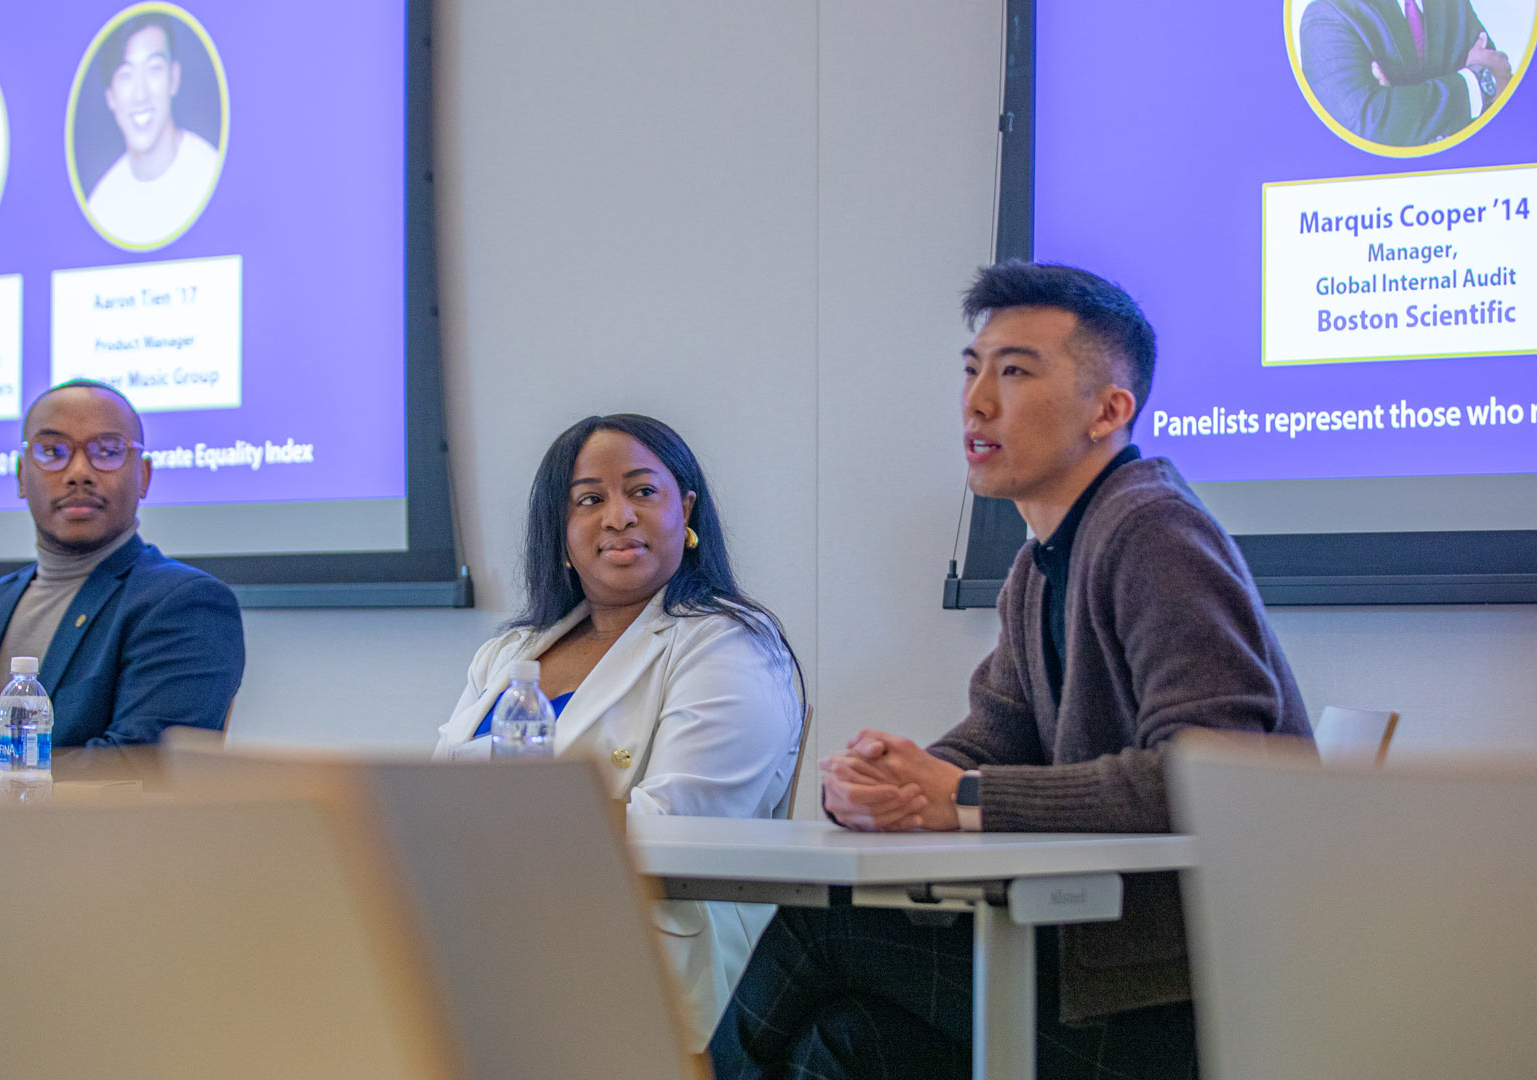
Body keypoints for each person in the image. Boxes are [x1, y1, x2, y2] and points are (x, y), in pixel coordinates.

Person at [708, 263, 1314, 1080]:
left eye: (1016, 371)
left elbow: (1217, 776)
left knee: (829, 925)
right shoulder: (1040, 567)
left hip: (1189, 1009)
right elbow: (993, 735)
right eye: (972, 370)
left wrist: (956, 797)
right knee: (846, 1045)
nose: (977, 402)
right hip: (1098, 982)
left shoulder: (1151, 530)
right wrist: (884, 783)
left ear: (1110, 410)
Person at [436, 414, 803, 1048]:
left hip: (644, 967)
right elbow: (434, 801)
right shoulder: (509, 653)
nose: (618, 517)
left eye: (642, 491)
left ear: (685, 509)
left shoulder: (729, 645)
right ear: (561, 528)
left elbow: (680, 824)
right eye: (589, 499)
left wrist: (496, 818)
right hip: (489, 952)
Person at [0, 380, 244, 783]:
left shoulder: (184, 603)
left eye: (106, 452)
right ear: (21, 476)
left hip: (62, 840)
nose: (78, 473)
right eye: (52, 452)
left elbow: (139, 763)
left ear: (143, 476)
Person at [84, 11, 221, 245]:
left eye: (154, 68)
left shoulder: (209, 173)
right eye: (126, 74)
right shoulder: (101, 204)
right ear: (110, 97)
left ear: (174, 78)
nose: (140, 94)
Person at [1300, 0, 1515, 146]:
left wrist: (1401, 108)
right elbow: (1373, 129)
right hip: (1376, 207)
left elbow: (1501, 87)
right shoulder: (1327, 15)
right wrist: (1474, 87)